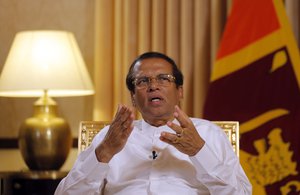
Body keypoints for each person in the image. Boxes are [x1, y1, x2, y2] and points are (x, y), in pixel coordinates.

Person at [55, 52, 252, 195]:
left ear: (179, 91)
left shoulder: (209, 134)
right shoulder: (110, 137)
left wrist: (199, 151)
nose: (153, 86)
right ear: (133, 97)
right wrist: (104, 153)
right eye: (142, 81)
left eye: (163, 79)